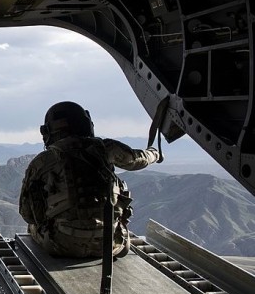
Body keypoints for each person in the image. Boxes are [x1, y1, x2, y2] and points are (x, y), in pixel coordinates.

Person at [19, 101, 160, 258]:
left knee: (32, 227)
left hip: (61, 245)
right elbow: (138, 159)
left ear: (49, 131)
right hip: (111, 243)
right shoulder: (106, 149)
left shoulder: (42, 162)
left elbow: (28, 214)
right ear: (86, 124)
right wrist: (155, 153)